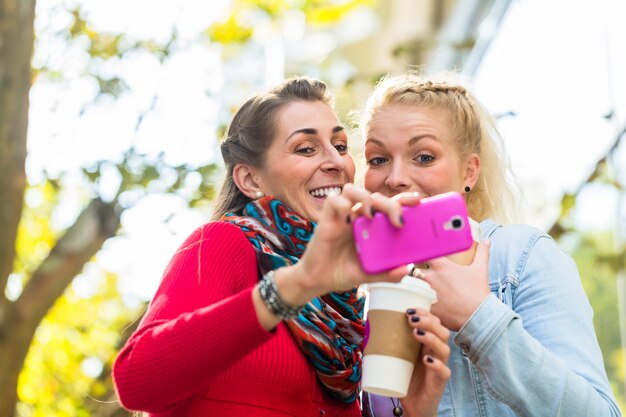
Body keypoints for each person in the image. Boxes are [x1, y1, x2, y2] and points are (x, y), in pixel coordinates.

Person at [112, 76, 451, 417]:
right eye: (306, 148)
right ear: (250, 180)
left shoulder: (347, 309)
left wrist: (410, 412)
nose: (336, 161)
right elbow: (136, 381)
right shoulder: (223, 242)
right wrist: (299, 282)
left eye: (341, 145)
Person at [358, 72, 622, 417]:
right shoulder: (370, 291)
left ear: (469, 172)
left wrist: (476, 316)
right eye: (378, 159)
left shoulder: (520, 256)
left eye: (424, 157)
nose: (394, 178)